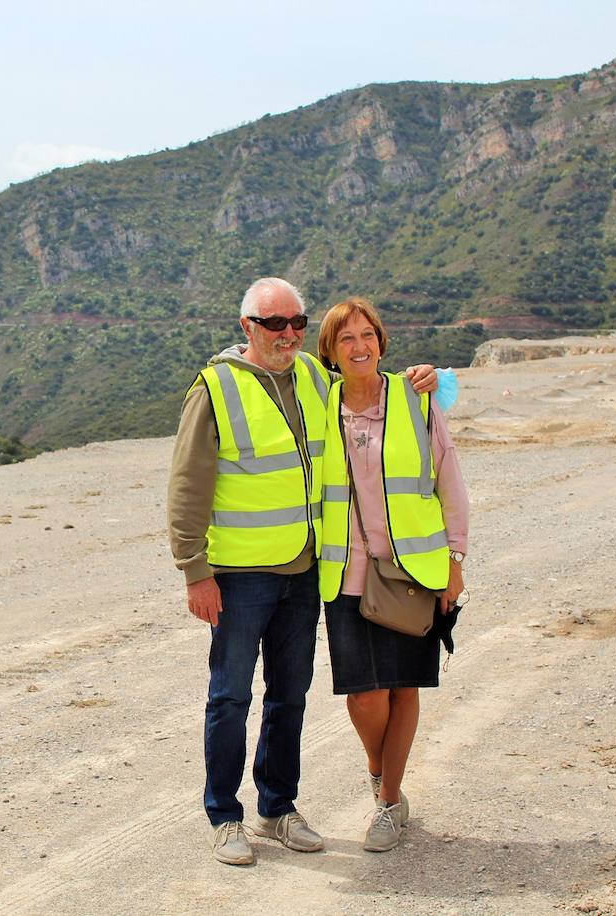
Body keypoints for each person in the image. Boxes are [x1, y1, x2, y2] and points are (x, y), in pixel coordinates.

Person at [167, 278, 440, 866]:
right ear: (248, 328)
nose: (288, 333)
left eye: (297, 322)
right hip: (239, 574)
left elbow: (374, 393)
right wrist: (194, 571)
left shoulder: (315, 378)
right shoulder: (215, 388)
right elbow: (188, 487)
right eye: (274, 324)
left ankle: (276, 807)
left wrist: (431, 379)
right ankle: (224, 815)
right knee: (230, 696)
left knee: (290, 694)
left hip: (304, 569)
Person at [314, 296, 469, 853]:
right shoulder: (319, 406)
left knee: (404, 688)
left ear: (381, 341)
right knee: (363, 694)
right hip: (346, 575)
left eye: (368, 335)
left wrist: (455, 561)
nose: (360, 346)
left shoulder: (415, 399)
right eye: (346, 338)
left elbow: (450, 482)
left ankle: (388, 802)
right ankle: (381, 771)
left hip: (413, 573)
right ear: (329, 352)